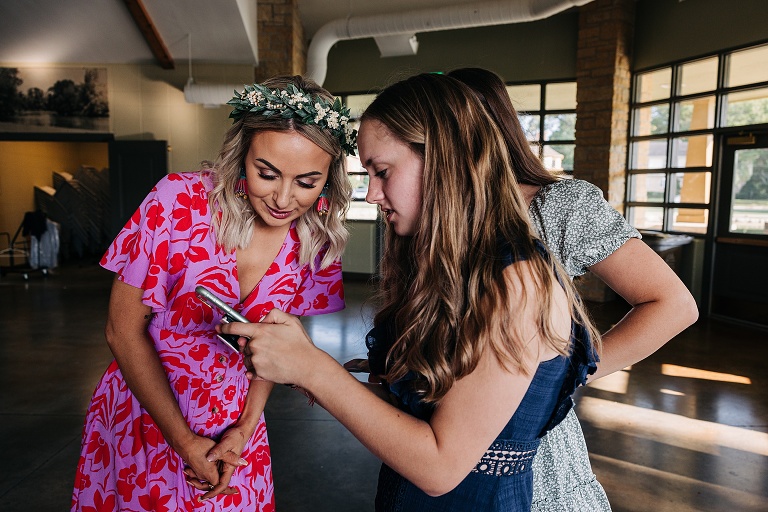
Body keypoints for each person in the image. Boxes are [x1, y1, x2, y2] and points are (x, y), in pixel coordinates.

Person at [223, 73, 604, 511]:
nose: (373, 194)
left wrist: (315, 371)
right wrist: (320, 369)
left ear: (445, 160)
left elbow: (440, 468)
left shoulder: (517, 285)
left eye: (382, 172)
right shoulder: (462, 272)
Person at [71, 75, 355, 511]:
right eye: (267, 173)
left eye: (307, 181)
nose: (283, 198)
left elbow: (274, 351)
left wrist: (242, 430)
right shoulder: (176, 202)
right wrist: (182, 441)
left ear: (328, 181)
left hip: (237, 432)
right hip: (147, 418)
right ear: (242, 157)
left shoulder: (316, 239)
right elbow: (121, 331)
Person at [446, 66, 699, 511]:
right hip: (439, 428)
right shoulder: (426, 211)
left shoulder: (559, 203)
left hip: (530, 446)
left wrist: (569, 374)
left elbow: (673, 304)